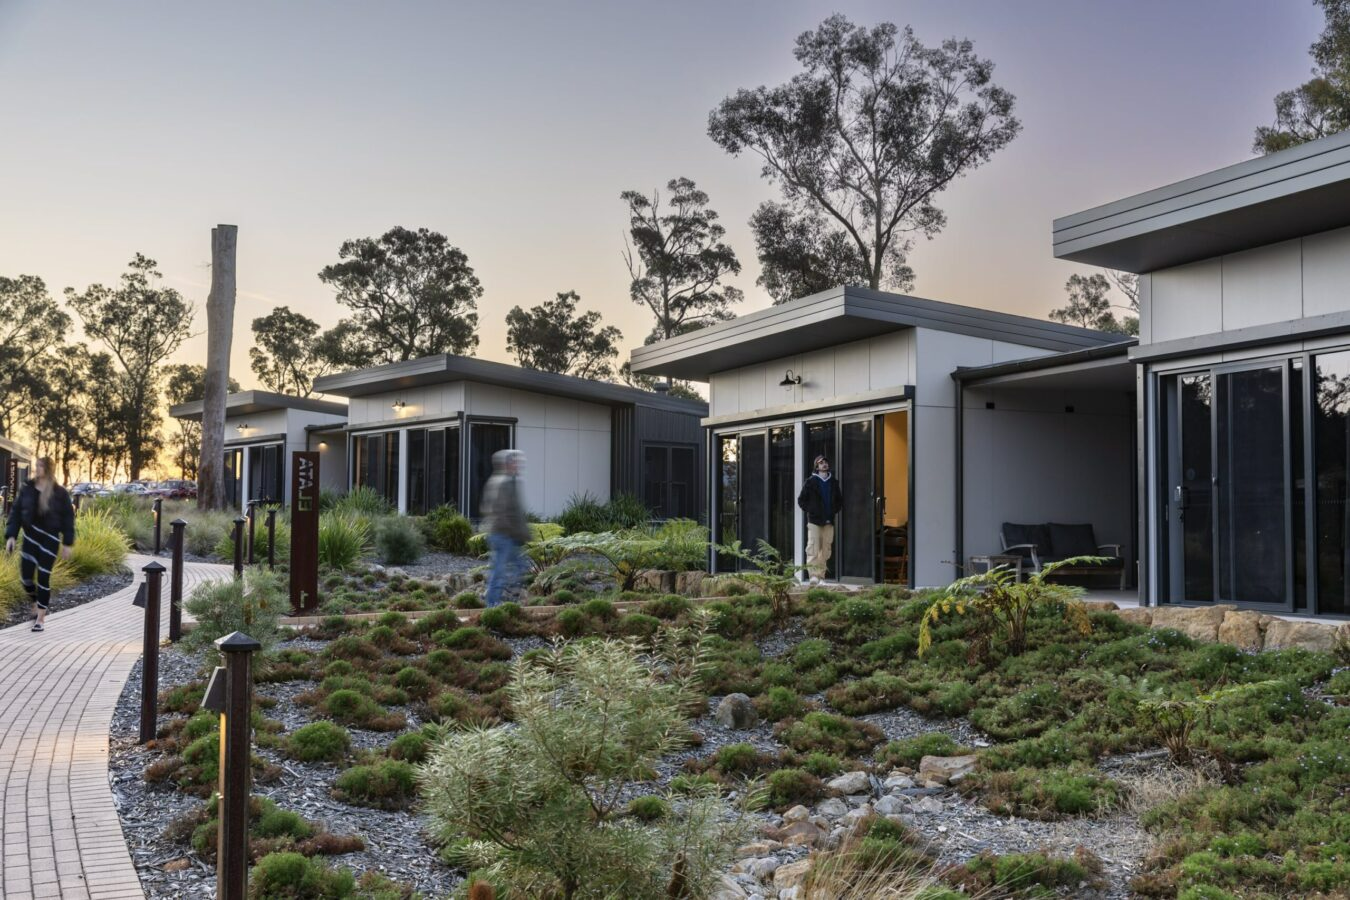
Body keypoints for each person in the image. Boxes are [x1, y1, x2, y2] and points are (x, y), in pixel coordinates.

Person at [5, 457, 76, 632]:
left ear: (49, 469)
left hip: (50, 539)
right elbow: (16, 513)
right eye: (36, 465)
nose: (37, 468)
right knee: (26, 578)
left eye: (41, 466)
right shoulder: (27, 488)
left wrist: (67, 543)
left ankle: (41, 619)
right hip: (30, 538)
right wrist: (11, 536)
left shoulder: (60, 493)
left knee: (43, 577)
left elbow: (68, 518)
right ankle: (36, 601)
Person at [480, 449, 530, 607]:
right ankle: (492, 604)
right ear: (507, 464)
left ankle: (503, 598)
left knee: (519, 567)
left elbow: (517, 513)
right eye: (515, 462)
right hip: (503, 535)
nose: (518, 465)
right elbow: (501, 512)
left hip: (507, 535)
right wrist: (517, 533)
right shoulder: (503, 483)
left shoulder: (508, 481)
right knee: (500, 571)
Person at [797, 455, 842, 585]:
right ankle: (813, 576)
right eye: (821, 463)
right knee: (813, 548)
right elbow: (801, 500)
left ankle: (821, 577)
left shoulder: (833, 482)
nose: (824, 464)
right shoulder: (810, 482)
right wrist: (812, 510)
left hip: (829, 521)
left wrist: (833, 511)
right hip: (814, 522)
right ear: (817, 466)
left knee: (825, 549)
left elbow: (839, 501)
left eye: (825, 462)